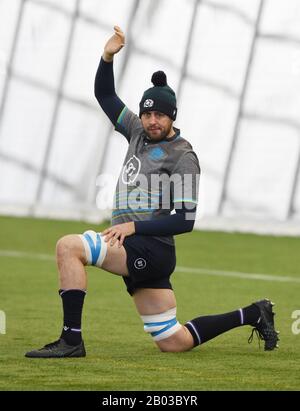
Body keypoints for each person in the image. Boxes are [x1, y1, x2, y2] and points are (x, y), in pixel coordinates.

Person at [25, 26, 279, 358]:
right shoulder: (136, 132)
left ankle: (71, 341)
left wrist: (134, 227)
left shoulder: (183, 156)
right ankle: (253, 313)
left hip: (150, 247)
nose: (151, 120)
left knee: (69, 247)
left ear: (172, 116)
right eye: (146, 113)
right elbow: (105, 96)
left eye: (159, 114)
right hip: (136, 248)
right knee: (173, 341)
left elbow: (185, 220)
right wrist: (106, 57)